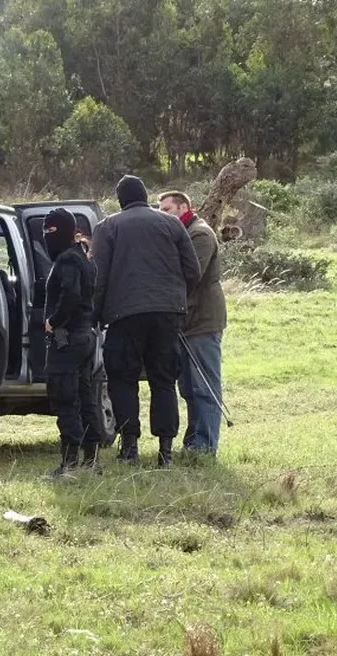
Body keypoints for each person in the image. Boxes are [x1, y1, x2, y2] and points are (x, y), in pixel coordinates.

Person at [91, 175, 201, 467]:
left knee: (122, 380)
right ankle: (165, 450)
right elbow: (193, 271)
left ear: (120, 200)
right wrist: (176, 301)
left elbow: (98, 278)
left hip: (124, 316)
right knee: (163, 381)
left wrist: (94, 316)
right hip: (167, 314)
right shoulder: (173, 224)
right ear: (146, 195)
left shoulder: (108, 227)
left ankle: (130, 446)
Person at [158, 191, 227, 457]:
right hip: (186, 321)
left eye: (167, 209)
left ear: (184, 207)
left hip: (203, 320)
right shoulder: (180, 232)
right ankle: (194, 441)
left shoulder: (199, 233)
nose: (163, 214)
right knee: (188, 386)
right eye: (160, 210)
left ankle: (205, 445)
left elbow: (190, 275)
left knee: (204, 385)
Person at [42, 208, 103, 476]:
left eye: (51, 230)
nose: (47, 236)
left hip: (68, 338)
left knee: (65, 396)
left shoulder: (67, 260)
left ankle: (69, 463)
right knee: (84, 395)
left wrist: (53, 321)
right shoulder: (83, 258)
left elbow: (71, 295)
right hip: (85, 336)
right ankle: (91, 458)